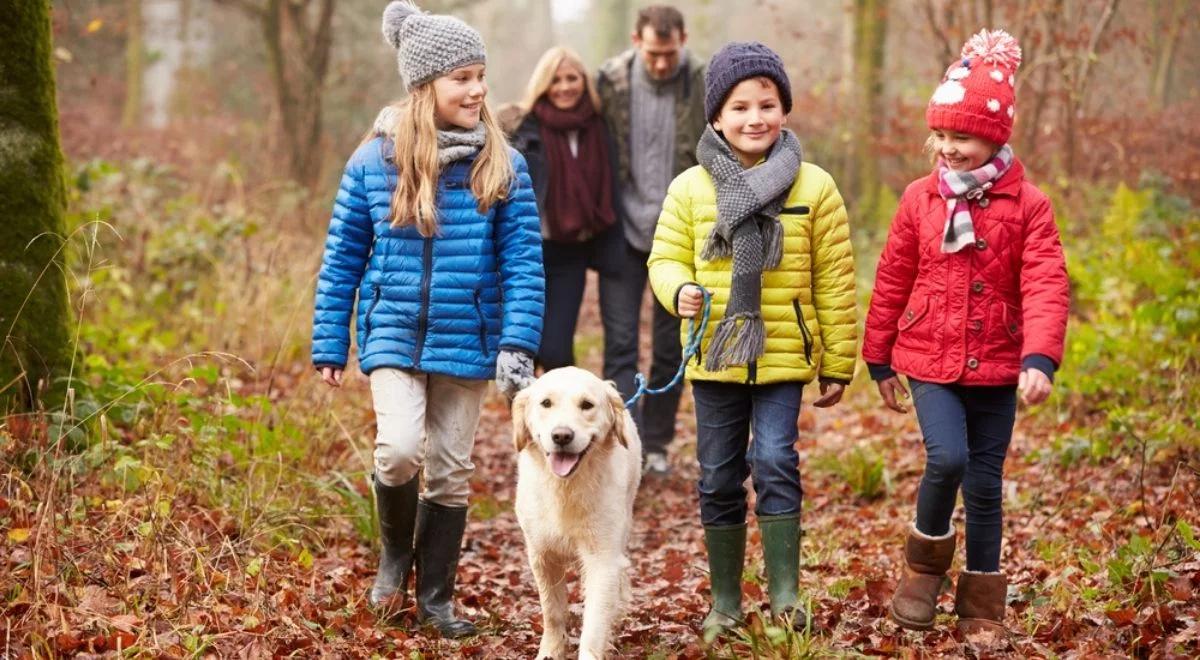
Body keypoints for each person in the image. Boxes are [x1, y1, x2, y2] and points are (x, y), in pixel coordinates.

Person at [310, 1, 543, 638]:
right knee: (399, 450)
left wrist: (518, 343)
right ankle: (393, 558)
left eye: (480, 75)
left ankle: (436, 595)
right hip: (391, 333)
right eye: (462, 77)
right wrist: (331, 338)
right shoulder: (373, 163)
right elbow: (341, 260)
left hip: (469, 338)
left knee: (449, 466)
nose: (478, 89)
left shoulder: (503, 165)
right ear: (424, 86)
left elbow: (524, 263)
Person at [862, 29, 1068, 643]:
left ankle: (981, 600)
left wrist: (1039, 357)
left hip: (1000, 363)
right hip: (929, 357)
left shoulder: (1030, 205)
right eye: (943, 137)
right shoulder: (919, 199)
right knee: (946, 457)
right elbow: (894, 274)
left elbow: (1046, 282)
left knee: (984, 484)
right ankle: (922, 572)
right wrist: (878, 357)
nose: (949, 149)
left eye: (964, 137)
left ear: (995, 136)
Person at [647, 42, 857, 636]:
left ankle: (786, 595)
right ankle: (725, 602)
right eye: (739, 107)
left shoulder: (813, 187)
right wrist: (679, 288)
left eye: (767, 104)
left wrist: (838, 360)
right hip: (716, 355)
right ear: (716, 117)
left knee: (774, 461)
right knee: (717, 475)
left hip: (784, 354)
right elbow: (663, 259)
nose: (754, 118)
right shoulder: (690, 188)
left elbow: (835, 279)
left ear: (784, 110)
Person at [596, 5, 707, 476]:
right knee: (620, 343)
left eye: (669, 52)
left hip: (679, 235)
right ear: (636, 40)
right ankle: (624, 440)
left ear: (682, 39)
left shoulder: (702, 80)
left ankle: (656, 442)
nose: (661, 63)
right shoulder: (611, 82)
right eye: (653, 53)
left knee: (669, 347)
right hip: (621, 230)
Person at [506, 47, 620, 373]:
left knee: (556, 351)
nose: (565, 87)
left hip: (571, 253)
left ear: (584, 81)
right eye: (556, 80)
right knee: (524, 348)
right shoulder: (523, 128)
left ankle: (563, 413)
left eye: (572, 78)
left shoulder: (598, 126)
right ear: (544, 84)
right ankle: (530, 419)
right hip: (528, 251)